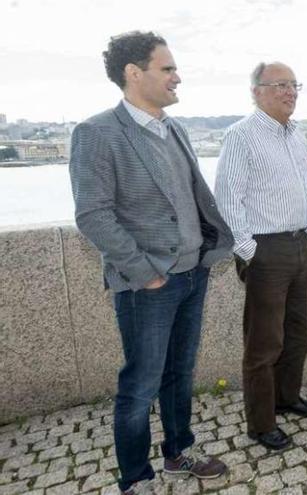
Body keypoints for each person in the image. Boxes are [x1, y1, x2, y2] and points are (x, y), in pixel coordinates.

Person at [69, 31, 232, 494]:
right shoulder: (97, 133)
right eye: (167, 68)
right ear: (133, 74)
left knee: (180, 374)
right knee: (139, 386)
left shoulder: (174, 127)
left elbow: (195, 199)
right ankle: (135, 478)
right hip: (148, 287)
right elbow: (92, 215)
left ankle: (179, 454)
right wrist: (147, 275)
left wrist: (206, 255)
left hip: (191, 274)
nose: (177, 77)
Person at [215, 62, 307, 451]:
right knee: (263, 342)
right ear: (256, 91)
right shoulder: (240, 136)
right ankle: (261, 424)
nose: (290, 92)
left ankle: (287, 397)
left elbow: (301, 187)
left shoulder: (297, 135)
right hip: (266, 249)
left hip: (300, 244)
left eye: (295, 85)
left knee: (299, 330)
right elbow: (227, 199)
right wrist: (249, 252)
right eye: (280, 85)